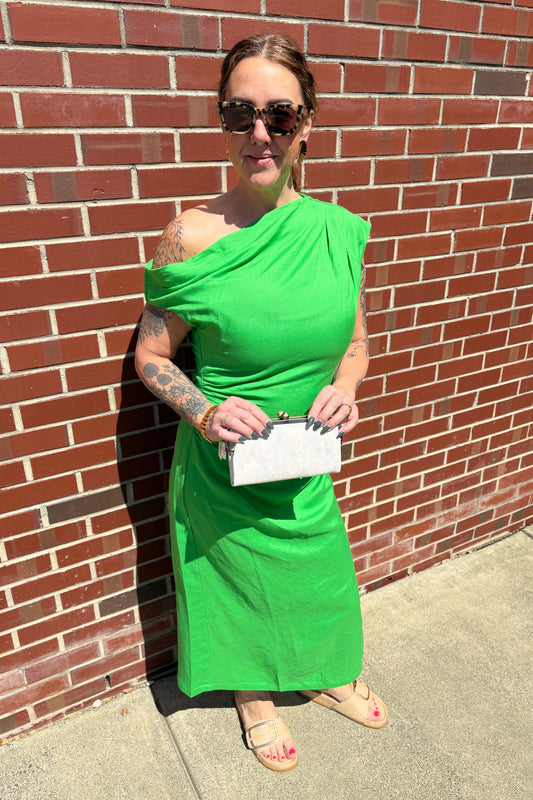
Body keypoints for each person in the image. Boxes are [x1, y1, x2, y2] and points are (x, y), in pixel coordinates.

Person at [134, 34, 387, 773]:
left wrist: (345, 388)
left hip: (305, 459)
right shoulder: (189, 237)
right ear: (222, 121)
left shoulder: (338, 232)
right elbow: (151, 356)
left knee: (320, 574)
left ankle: (322, 670)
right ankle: (253, 697)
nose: (259, 133)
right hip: (225, 465)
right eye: (239, 113)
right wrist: (204, 413)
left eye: (279, 114)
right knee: (237, 584)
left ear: (306, 123)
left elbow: (356, 340)